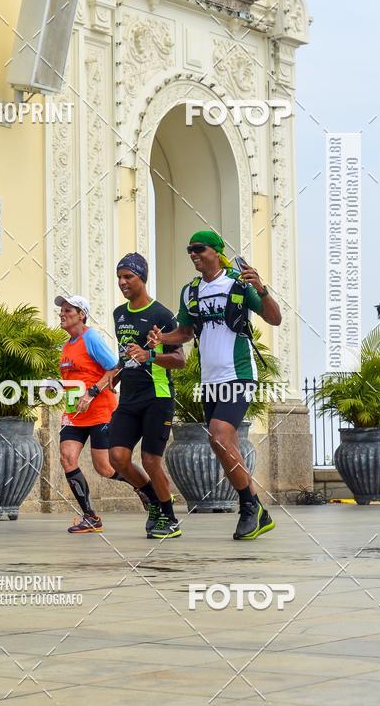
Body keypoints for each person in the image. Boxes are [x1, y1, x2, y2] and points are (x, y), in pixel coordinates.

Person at [148, 230, 282, 541]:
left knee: (220, 439)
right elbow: (184, 332)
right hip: (209, 379)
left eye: (199, 248)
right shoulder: (191, 291)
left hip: (238, 374)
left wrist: (261, 289)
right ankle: (256, 509)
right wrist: (162, 339)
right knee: (225, 446)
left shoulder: (238, 282)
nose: (193, 254)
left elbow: (274, 318)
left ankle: (249, 507)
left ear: (217, 251)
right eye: (189, 249)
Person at [108, 253, 186, 539]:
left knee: (151, 460)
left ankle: (170, 517)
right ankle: (153, 498)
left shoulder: (162, 316)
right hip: (129, 397)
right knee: (117, 457)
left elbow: (180, 360)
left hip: (157, 395)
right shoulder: (119, 314)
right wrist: (114, 375)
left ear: (142, 277)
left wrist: (150, 355)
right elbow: (125, 356)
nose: (122, 282)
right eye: (119, 277)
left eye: (128, 276)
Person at [56, 294, 145, 533]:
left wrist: (92, 393)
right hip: (74, 413)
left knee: (104, 468)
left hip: (100, 410)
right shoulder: (66, 346)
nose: (62, 314)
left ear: (81, 315)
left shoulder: (91, 337)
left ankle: (145, 486)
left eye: (68, 310)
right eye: (61, 311)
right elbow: (75, 378)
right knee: (67, 458)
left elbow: (116, 367)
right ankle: (90, 516)